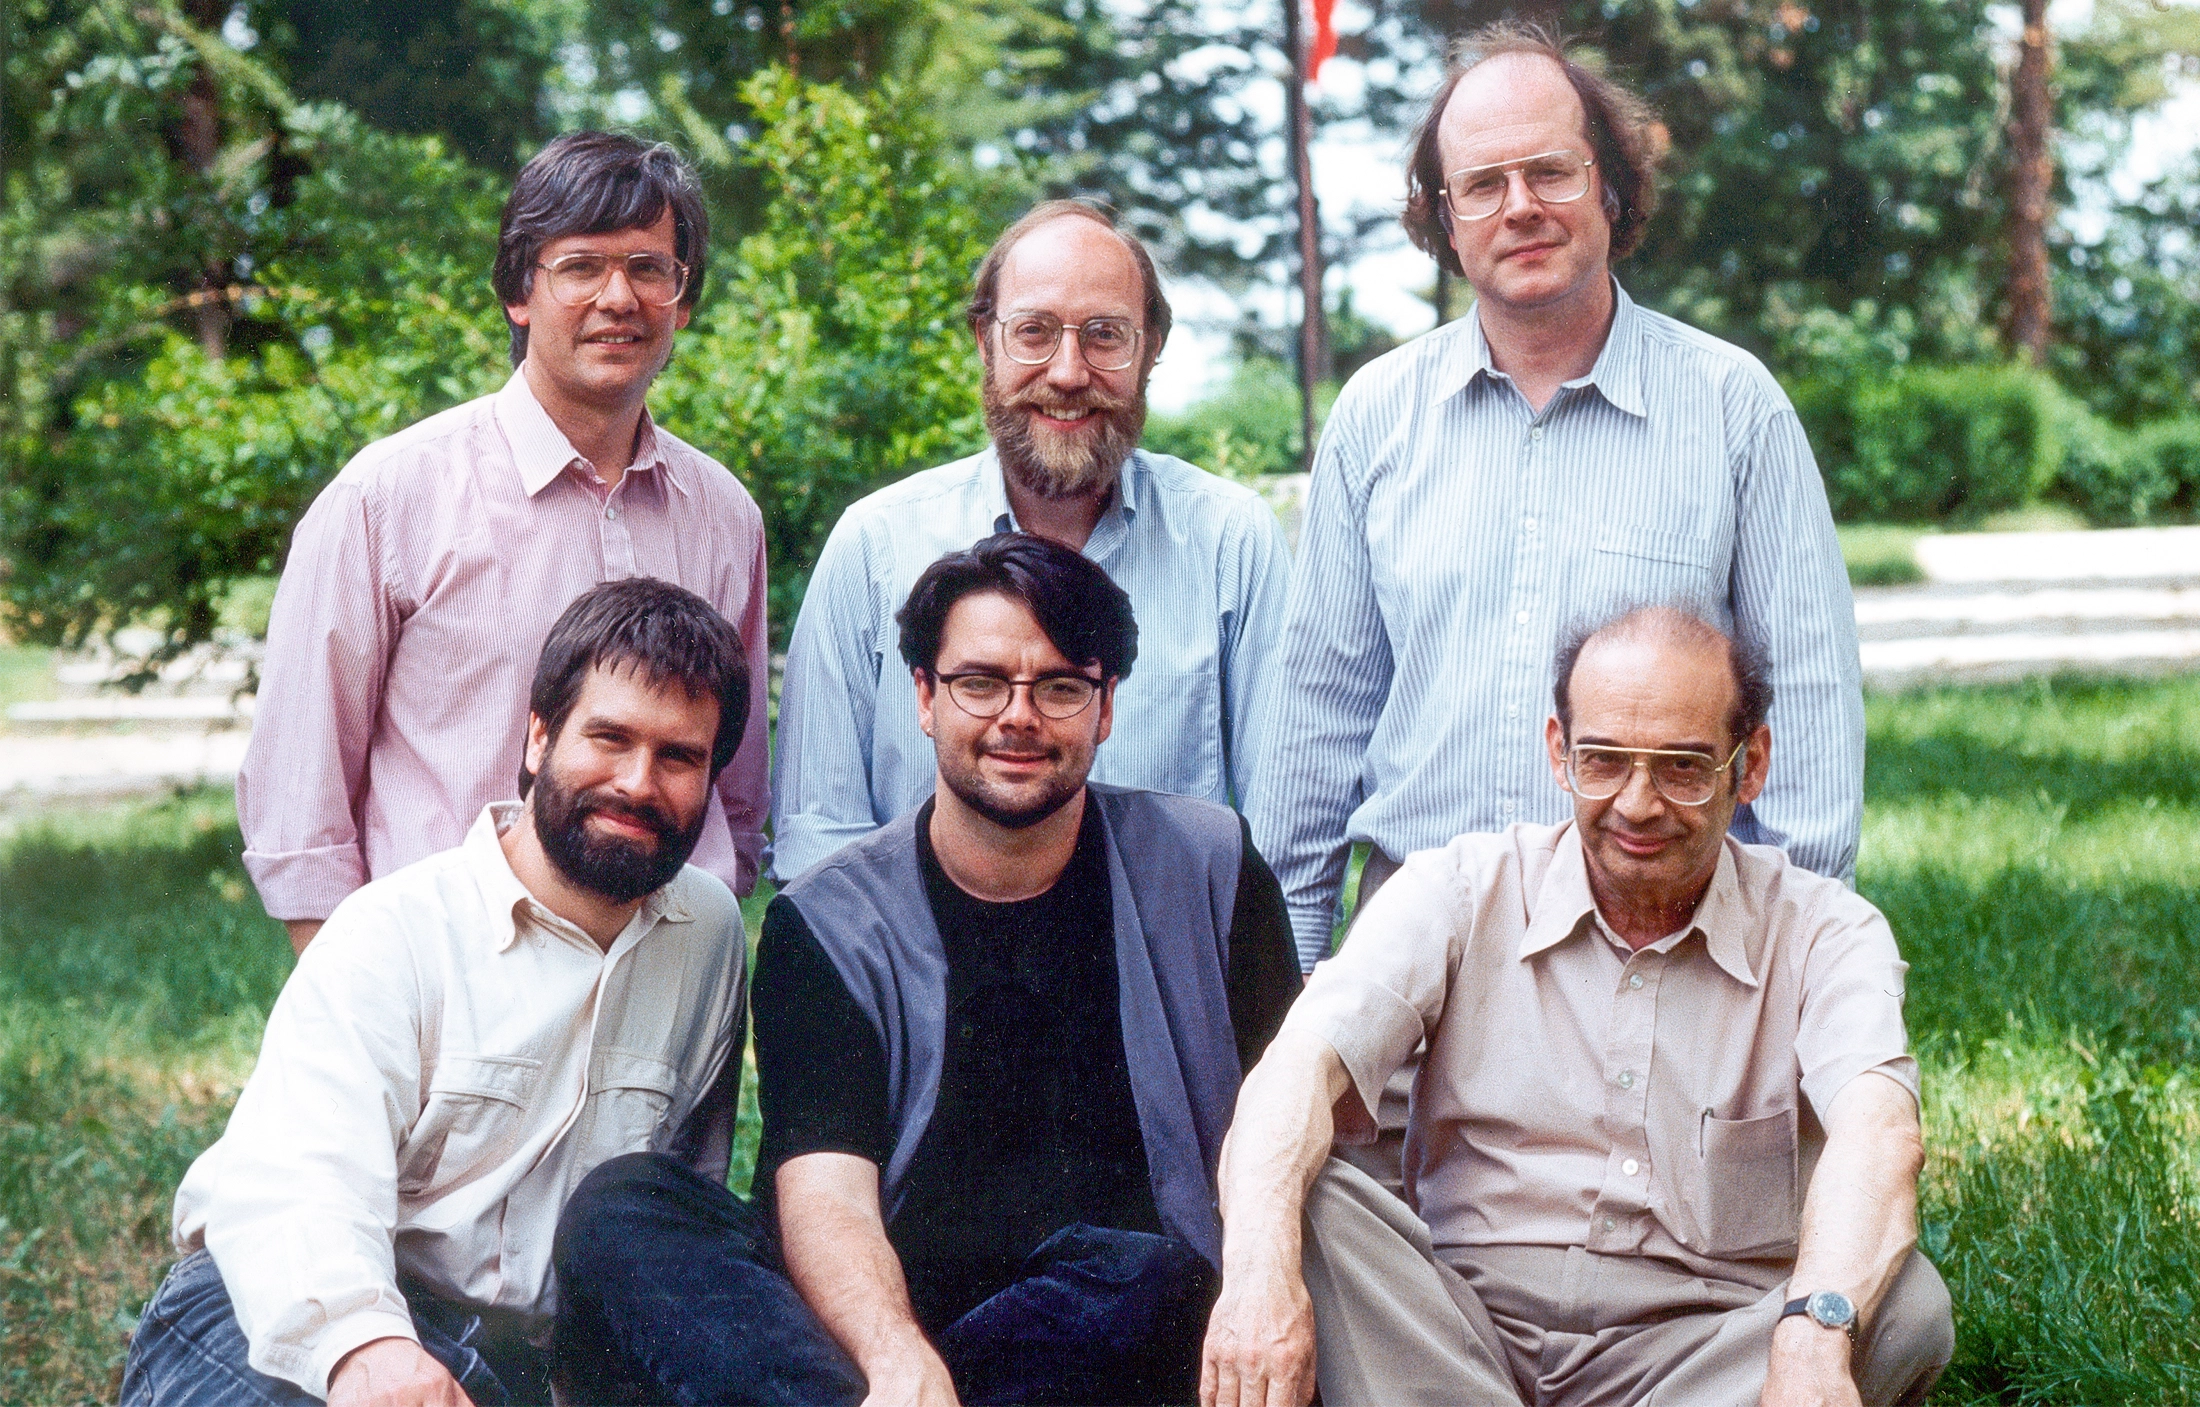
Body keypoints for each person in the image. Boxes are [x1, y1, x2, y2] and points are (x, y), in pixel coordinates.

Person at [555, 534, 1302, 1407]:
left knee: (1145, 1273)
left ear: (1105, 708)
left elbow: (1284, 1113)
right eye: (980, 682)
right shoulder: (831, 920)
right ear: (923, 695)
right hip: (882, 1343)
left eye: (1060, 686)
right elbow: (823, 1187)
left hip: (1113, 1336)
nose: (1017, 717)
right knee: (627, 1206)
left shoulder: (1207, 866)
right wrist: (895, 1357)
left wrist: (1264, 1276)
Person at [1200, 605, 1952, 1407]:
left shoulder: (1824, 930)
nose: (1636, 802)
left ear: (1751, 763)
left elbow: (1879, 1132)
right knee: (1303, 1193)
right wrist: (1255, 1284)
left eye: (1682, 768)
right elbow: (1296, 1071)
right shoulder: (1458, 888)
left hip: (1697, 1362)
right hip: (1456, 1339)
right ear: (1559, 751)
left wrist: (1808, 1342)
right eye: (1603, 761)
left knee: (1904, 1307)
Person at [1252, 21, 1863, 980]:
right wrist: (1280, 998)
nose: (1520, 207)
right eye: (1483, 184)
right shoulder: (1375, 416)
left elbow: (1811, 717)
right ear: (1444, 219)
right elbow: (1318, 722)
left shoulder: (1734, 411)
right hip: (1419, 950)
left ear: (1611, 189)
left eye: (1552, 172)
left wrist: (1793, 985)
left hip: (1661, 941)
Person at [120, 578, 755, 1407]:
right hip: (285, 1314)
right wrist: (367, 1349)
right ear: (537, 736)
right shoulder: (395, 931)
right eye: (609, 737)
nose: (638, 782)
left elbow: (674, 1213)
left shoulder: (706, 935)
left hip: (517, 1365)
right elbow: (297, 1181)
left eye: (678, 756)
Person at [239, 131, 770, 954]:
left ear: (684, 299)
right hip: (439, 983)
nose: (618, 297)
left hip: (657, 981)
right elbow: (299, 807)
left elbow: (732, 793)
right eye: (581, 265)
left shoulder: (725, 516)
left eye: (649, 268)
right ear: (519, 293)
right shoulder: (388, 499)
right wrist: (366, 1005)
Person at [771, 200, 1292, 881]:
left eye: (1105, 335)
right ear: (985, 341)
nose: (1070, 372)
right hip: (920, 979)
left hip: (1163, 980)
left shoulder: (1231, 543)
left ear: (1151, 349)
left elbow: (1283, 831)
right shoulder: (876, 547)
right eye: (1035, 332)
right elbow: (818, 838)